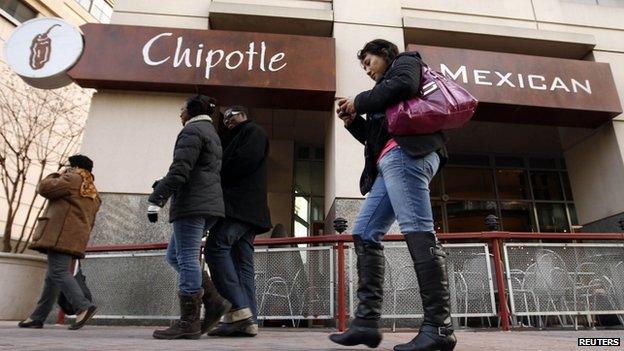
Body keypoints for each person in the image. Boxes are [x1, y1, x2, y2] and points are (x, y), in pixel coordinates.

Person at [328, 39, 455, 351]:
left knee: (417, 228)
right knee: (365, 232)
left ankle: (439, 327)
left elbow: (403, 86)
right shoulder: (385, 94)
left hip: (407, 155)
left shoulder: (406, 63)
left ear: (385, 54)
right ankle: (366, 324)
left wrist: (359, 100)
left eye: (369, 62)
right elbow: (375, 139)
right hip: (390, 160)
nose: (367, 70)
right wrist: (353, 121)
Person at [148, 94, 230, 340]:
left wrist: (156, 198)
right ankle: (213, 301)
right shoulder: (210, 132)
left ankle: (189, 322)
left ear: (192, 111)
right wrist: (162, 184)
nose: (179, 113)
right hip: (206, 203)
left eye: (182, 109)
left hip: (193, 205)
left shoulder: (192, 131)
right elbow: (197, 170)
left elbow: (181, 169)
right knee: (174, 255)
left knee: (185, 258)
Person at [205, 105, 271, 337]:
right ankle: (248, 320)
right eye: (223, 119)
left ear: (243, 114)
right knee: (243, 265)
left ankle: (239, 313)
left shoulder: (253, 132)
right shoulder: (243, 135)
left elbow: (244, 162)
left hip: (240, 208)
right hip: (246, 210)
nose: (226, 121)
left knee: (215, 247)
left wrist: (214, 172)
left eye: (230, 116)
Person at [19, 155, 100, 330]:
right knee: (52, 277)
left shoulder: (72, 178)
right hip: (74, 237)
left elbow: (44, 188)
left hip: (60, 234)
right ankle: (37, 317)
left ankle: (83, 307)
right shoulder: (92, 190)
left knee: (58, 272)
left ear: (74, 166)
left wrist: (55, 174)